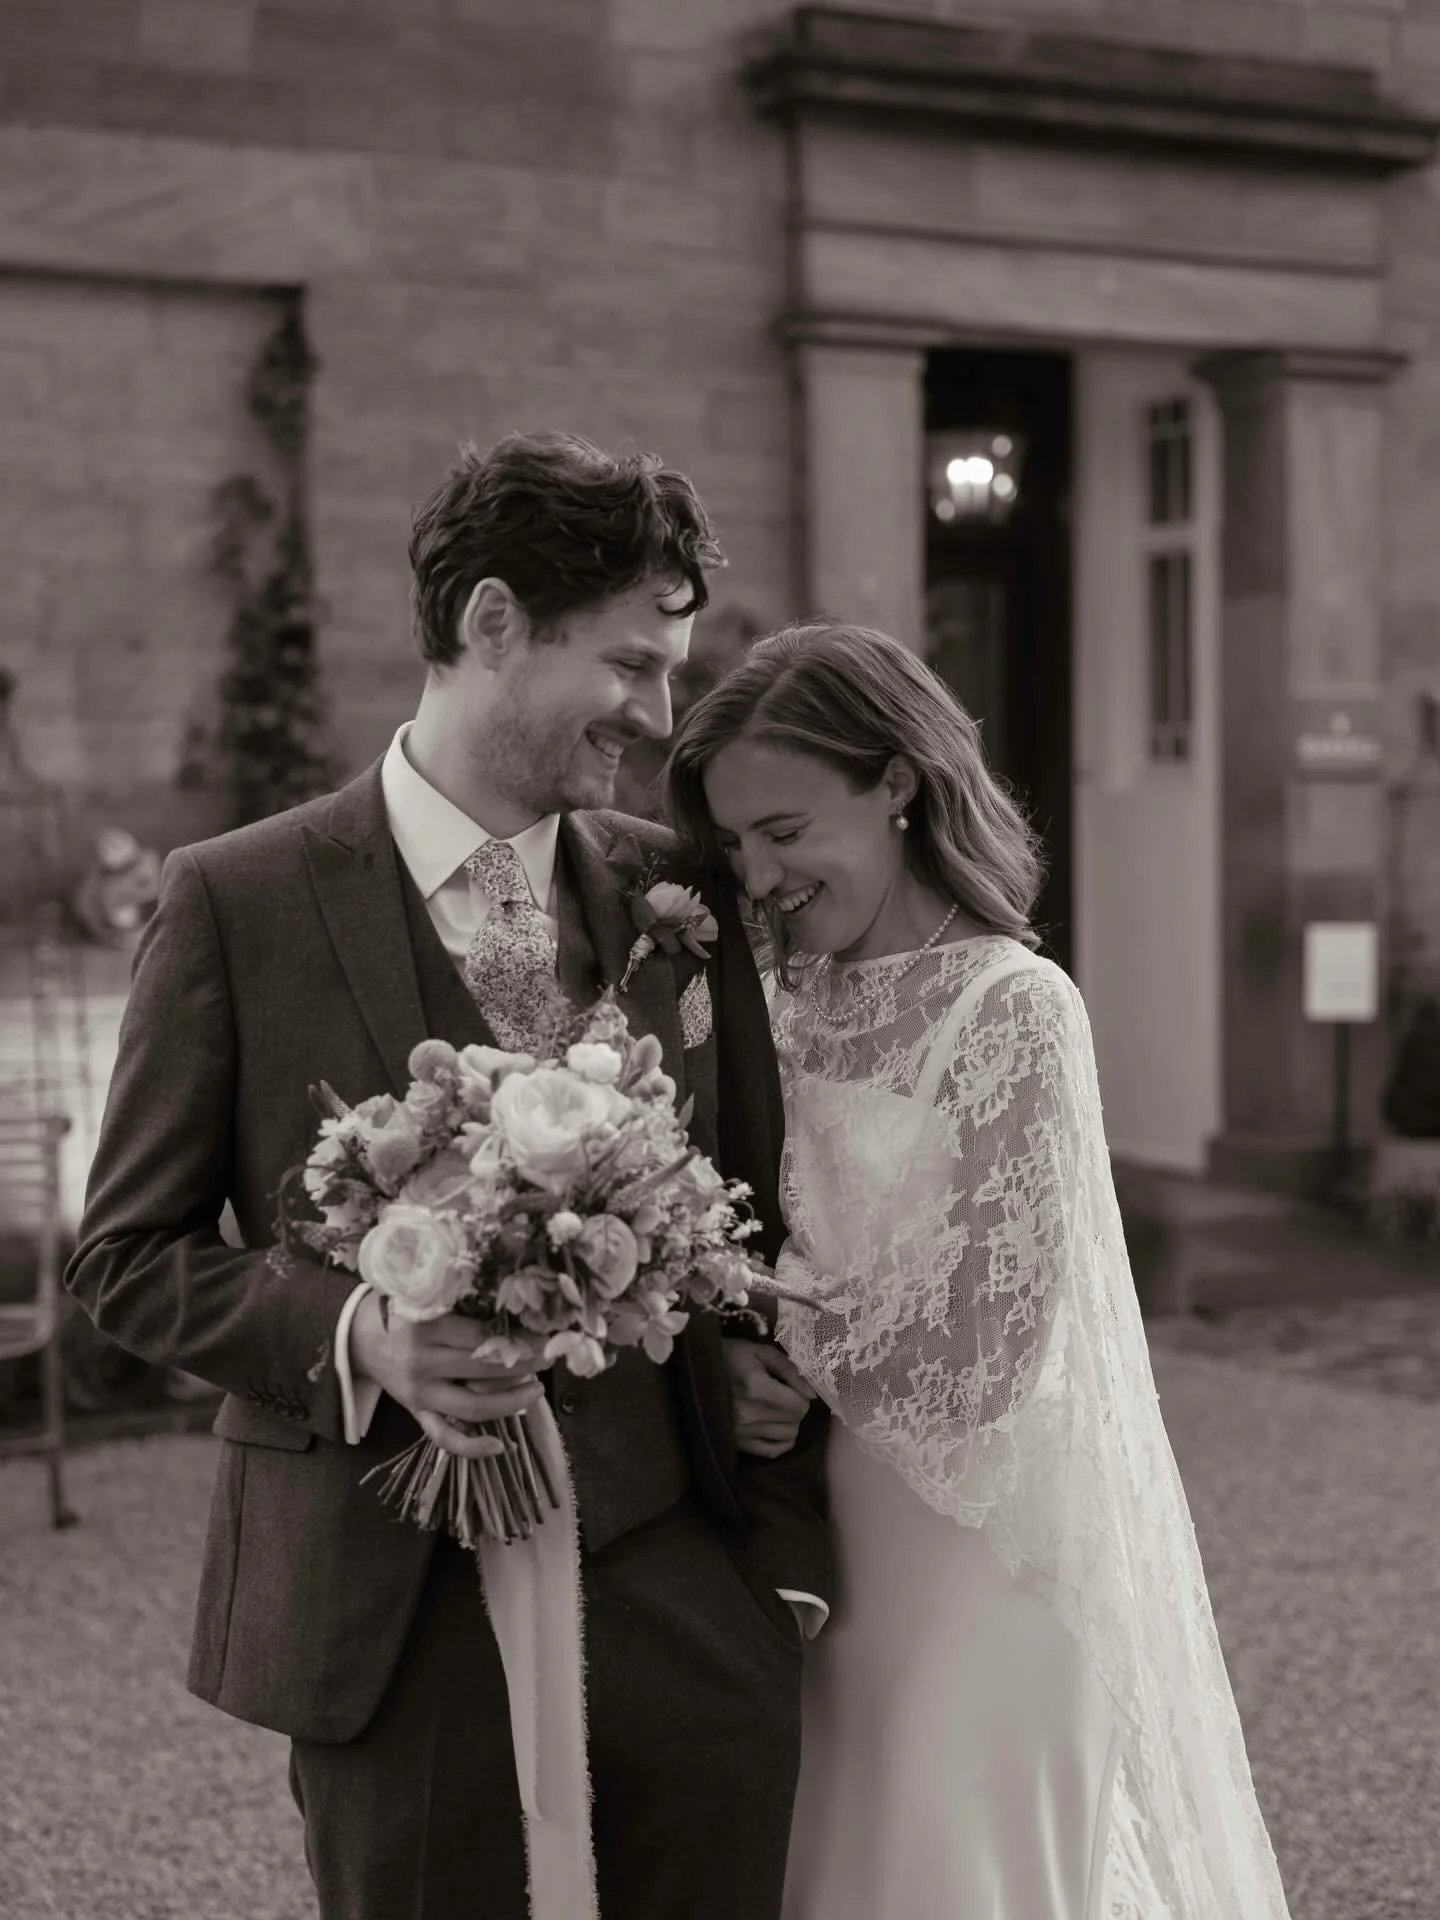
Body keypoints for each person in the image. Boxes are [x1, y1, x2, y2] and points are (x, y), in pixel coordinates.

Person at [65, 433, 830, 1920]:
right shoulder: (238, 900)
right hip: (389, 1616)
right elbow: (127, 1256)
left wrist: (779, 1578)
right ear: (490, 623)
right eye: (627, 662)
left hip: (688, 1598)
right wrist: (362, 1334)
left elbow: (767, 1218)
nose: (657, 713)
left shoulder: (674, 888)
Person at [665, 621, 1293, 1920]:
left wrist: (782, 1367)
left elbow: (991, 1348)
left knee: (948, 1865)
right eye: (733, 847)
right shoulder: (775, 1003)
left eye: (785, 829)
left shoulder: (1013, 1007)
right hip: (804, 1529)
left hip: (972, 1543)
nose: (759, 875)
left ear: (896, 781)